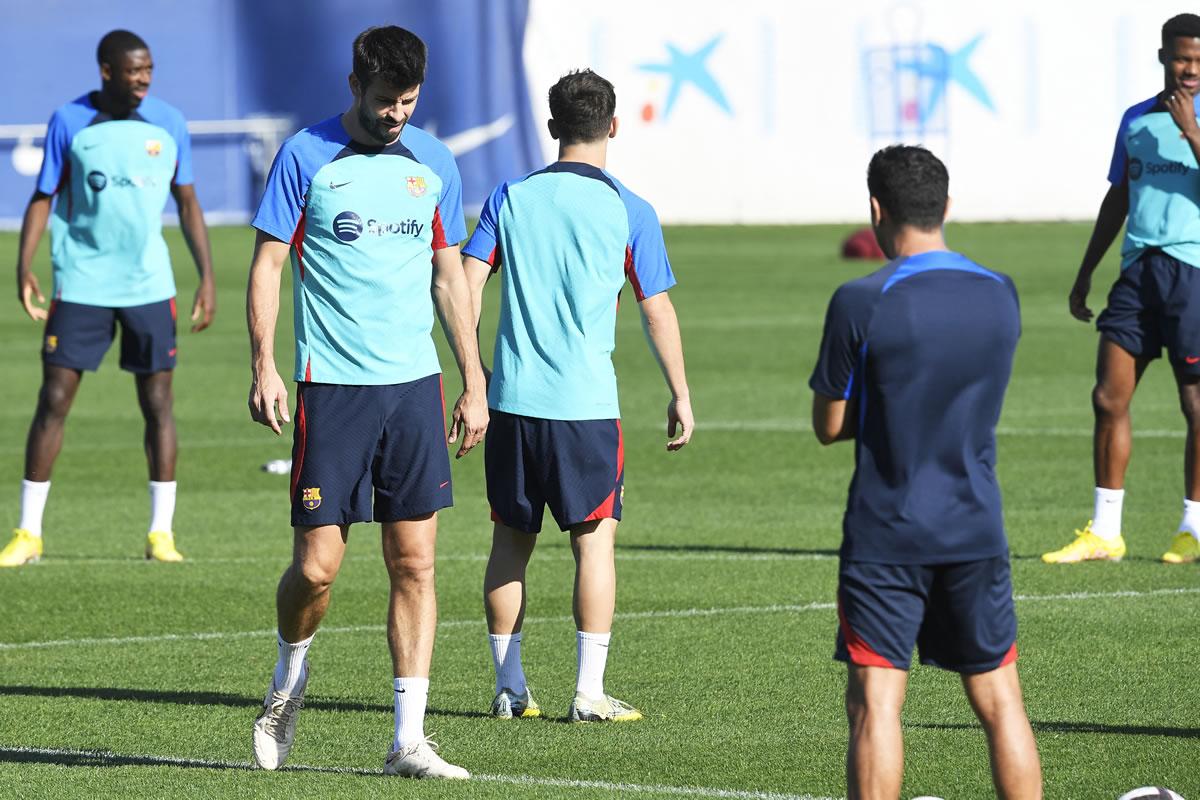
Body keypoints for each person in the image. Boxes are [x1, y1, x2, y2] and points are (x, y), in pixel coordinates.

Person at [245, 26, 486, 779]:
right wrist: (264, 366)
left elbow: (449, 277)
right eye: (385, 101)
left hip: (413, 386)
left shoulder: (434, 162)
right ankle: (288, 682)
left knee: (415, 561)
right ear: (355, 86)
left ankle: (408, 741)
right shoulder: (306, 157)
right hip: (332, 387)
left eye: (409, 102)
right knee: (317, 570)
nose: (396, 116)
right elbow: (269, 263)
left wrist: (474, 380)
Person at [810, 145, 1042, 799]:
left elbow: (828, 425)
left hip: (888, 531)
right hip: (976, 523)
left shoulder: (860, 300)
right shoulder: (1001, 292)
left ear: (877, 211)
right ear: (946, 207)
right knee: (1001, 703)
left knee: (876, 704)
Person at [462, 69, 694, 723]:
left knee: (510, 543)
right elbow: (657, 310)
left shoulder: (510, 196)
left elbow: (465, 285)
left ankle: (510, 689)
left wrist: (473, 373)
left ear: (552, 126)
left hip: (510, 402)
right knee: (594, 545)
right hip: (585, 408)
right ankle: (588, 692)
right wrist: (679, 391)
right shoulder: (630, 208)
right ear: (612, 126)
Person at [2, 29, 216, 568]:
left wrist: (206, 277)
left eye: (149, 70)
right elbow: (43, 196)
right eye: (134, 70)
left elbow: (187, 203)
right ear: (106, 70)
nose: (143, 79)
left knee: (158, 405)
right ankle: (28, 532)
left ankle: (160, 534)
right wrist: (24, 266)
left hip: (149, 285)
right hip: (81, 283)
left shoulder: (168, 123)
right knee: (53, 400)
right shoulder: (69, 121)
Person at [1049, 13, 1200, 565]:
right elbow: (1119, 196)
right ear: (1164, 56)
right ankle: (1106, 533)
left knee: (1195, 404)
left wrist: (1190, 129)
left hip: (1193, 274)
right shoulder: (1136, 119)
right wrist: (1087, 268)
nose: (1191, 70)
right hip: (1138, 274)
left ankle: (1193, 527)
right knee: (1108, 397)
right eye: (1183, 58)